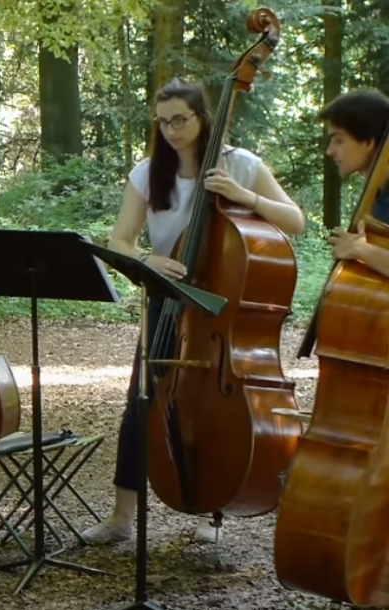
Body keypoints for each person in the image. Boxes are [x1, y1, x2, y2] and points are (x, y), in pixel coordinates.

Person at [80, 77, 305, 545]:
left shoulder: (241, 165)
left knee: (215, 407)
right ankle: (122, 516)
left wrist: (246, 196)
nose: (170, 130)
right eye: (162, 122)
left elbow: (295, 221)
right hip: (167, 300)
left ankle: (213, 508)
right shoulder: (148, 173)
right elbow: (120, 240)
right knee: (140, 403)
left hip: (222, 306)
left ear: (203, 117)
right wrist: (148, 259)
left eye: (179, 119)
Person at [321, 89, 389, 272]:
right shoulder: (376, 195)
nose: (330, 151)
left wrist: (359, 249)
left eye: (339, 141)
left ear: (368, 141)